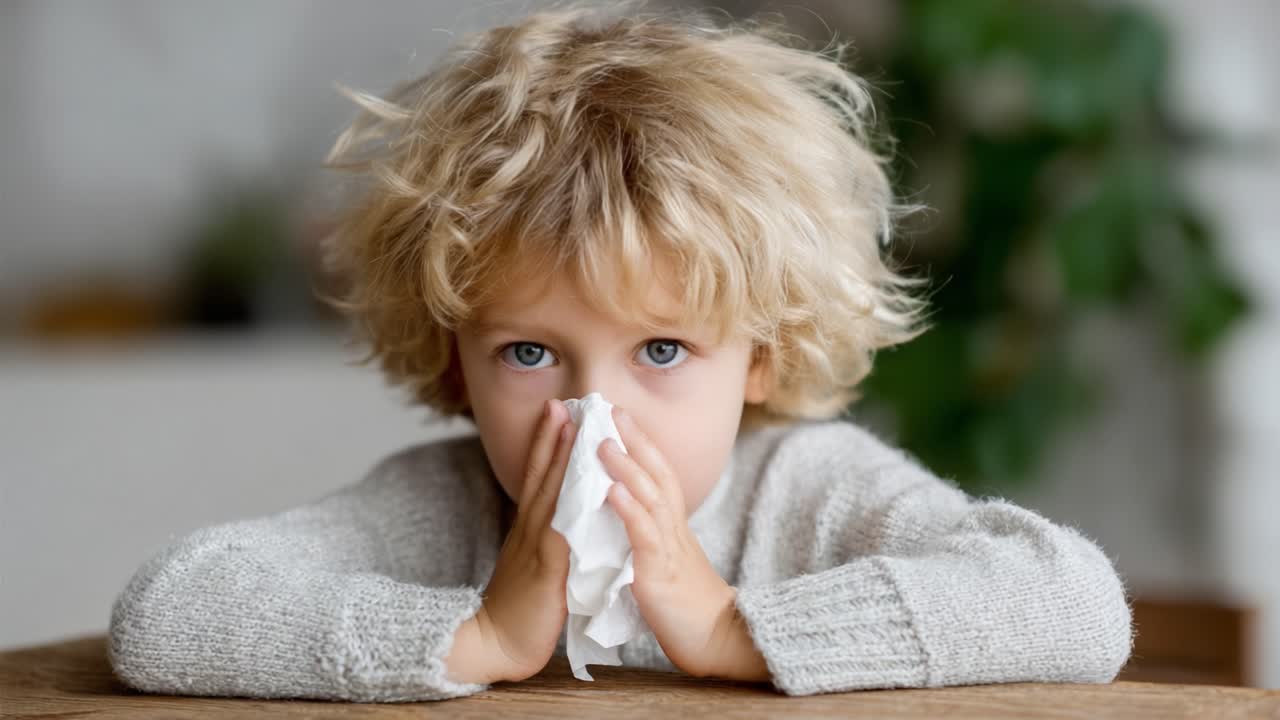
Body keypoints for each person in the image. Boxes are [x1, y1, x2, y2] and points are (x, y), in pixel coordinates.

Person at [107, 1, 1133, 702]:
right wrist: (478, 639)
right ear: (453, 358)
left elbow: (1071, 603)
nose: (590, 413)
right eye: (526, 354)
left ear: (761, 357)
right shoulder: (441, 509)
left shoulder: (812, 492)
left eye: (661, 348)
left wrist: (736, 629)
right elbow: (169, 613)